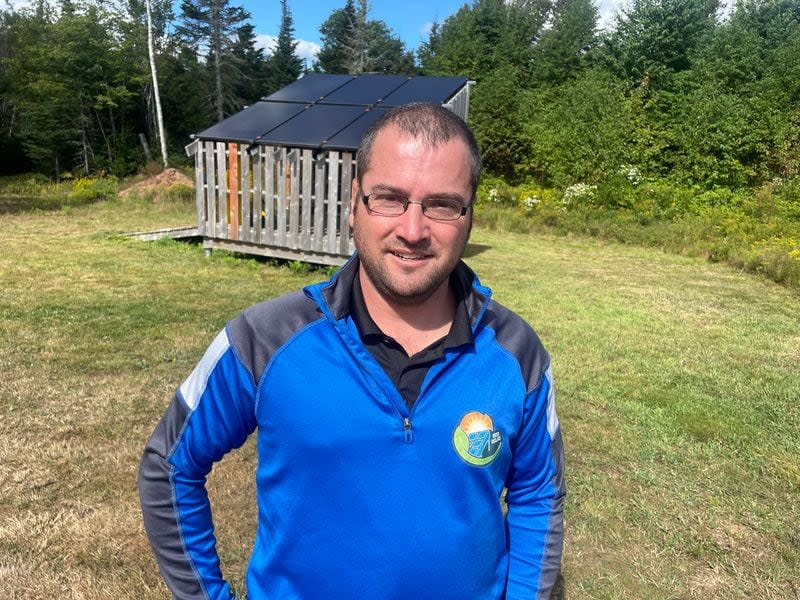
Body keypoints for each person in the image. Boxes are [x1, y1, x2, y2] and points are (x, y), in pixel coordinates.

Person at [138, 102, 565, 600]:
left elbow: (538, 492)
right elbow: (170, 464)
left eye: (442, 205)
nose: (412, 230)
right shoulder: (265, 338)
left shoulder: (517, 353)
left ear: (469, 217)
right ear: (353, 204)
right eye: (389, 199)